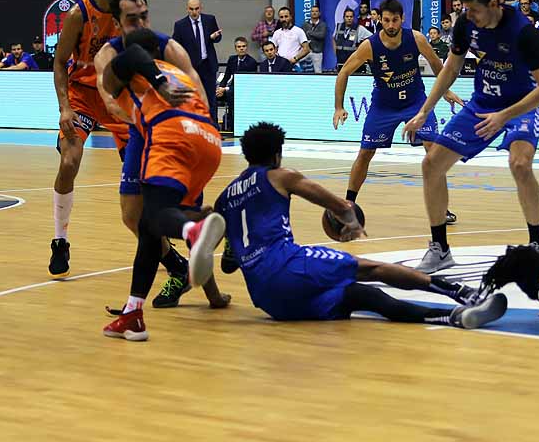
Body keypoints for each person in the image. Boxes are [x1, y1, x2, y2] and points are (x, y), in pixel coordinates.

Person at [213, 122, 508, 328]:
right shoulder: (280, 176)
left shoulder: (225, 198)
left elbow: (222, 262)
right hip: (286, 265)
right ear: (277, 154)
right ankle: (463, 292)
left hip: (268, 300)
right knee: (368, 268)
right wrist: (352, 223)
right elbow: (341, 206)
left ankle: (451, 317)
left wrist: (215, 297)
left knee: (362, 296)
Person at [405, 0, 539, 270]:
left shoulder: (523, 33)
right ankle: (440, 249)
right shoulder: (466, 25)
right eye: (465, 9)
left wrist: (504, 116)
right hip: (482, 103)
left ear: (494, 4)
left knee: (520, 164)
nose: (468, 16)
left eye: (473, 10)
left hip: (521, 103)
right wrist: (425, 110)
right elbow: (451, 67)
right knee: (431, 165)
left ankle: (536, 245)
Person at [100, 29, 231, 341]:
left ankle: (194, 229)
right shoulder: (180, 73)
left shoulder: (136, 67)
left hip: (171, 135)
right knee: (149, 227)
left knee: (157, 217)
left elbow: (131, 57)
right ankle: (133, 314)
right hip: (209, 142)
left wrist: (153, 81)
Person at [94, 0, 210, 309]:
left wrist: (197, 125)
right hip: (142, 132)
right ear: (117, 23)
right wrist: (143, 114)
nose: (141, 23)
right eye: (132, 19)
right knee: (134, 216)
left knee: (181, 214)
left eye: (144, 16)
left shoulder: (168, 46)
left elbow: (196, 86)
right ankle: (178, 268)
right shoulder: (107, 53)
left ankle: (210, 290)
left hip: (176, 134)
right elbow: (108, 101)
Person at [332, 0, 463, 222]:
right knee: (365, 154)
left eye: (395, 20)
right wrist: (338, 107)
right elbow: (343, 72)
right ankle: (348, 205)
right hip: (384, 106)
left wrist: (445, 91)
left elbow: (436, 63)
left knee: (433, 151)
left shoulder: (417, 38)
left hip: (415, 103)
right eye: (386, 20)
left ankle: (442, 209)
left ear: (402, 19)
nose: (391, 25)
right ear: (379, 20)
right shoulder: (370, 46)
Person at [48, 0, 131, 279]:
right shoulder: (77, 14)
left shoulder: (129, 7)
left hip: (116, 94)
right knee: (69, 161)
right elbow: (59, 62)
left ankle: (160, 243)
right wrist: (65, 108)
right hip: (82, 93)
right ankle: (60, 240)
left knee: (144, 169)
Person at [171, 0, 221, 126]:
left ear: (201, 8)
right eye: (191, 9)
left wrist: (214, 37)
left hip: (207, 65)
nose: (194, 12)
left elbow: (218, 37)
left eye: (197, 9)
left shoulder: (210, 19)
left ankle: (213, 127)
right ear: (187, 9)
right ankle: (194, 127)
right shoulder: (180, 25)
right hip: (191, 67)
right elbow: (175, 45)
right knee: (191, 98)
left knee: (211, 98)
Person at [217, 37, 258, 131]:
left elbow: (246, 82)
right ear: (236, 48)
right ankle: (216, 125)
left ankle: (233, 127)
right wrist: (220, 88)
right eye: (239, 47)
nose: (241, 48)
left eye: (243, 46)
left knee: (231, 94)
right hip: (231, 88)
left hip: (244, 89)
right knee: (214, 95)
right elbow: (226, 76)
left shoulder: (251, 62)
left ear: (246, 48)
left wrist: (225, 89)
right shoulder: (232, 59)